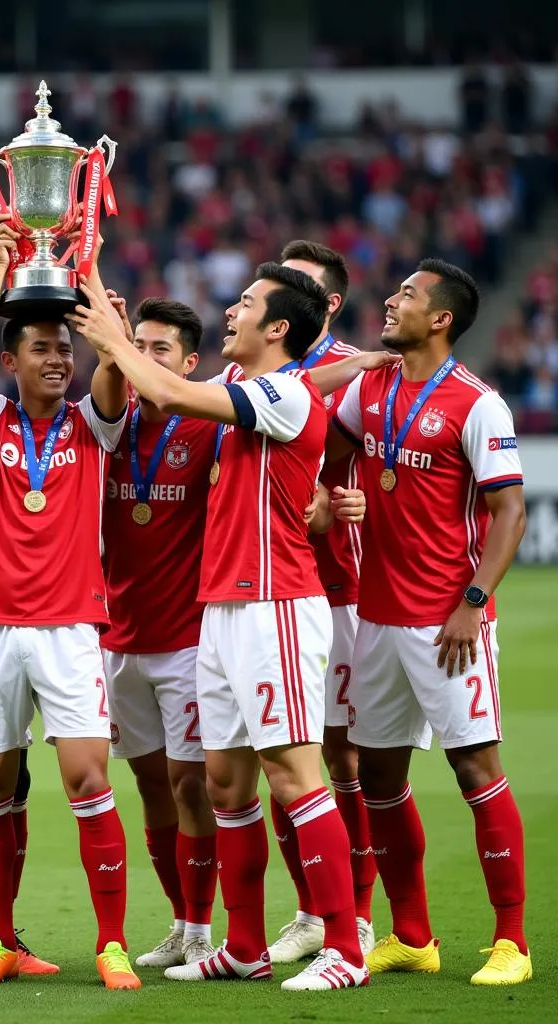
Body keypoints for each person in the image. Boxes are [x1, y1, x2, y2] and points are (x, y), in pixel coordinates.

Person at [70, 262, 395, 993]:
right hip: (221, 609)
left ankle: (344, 949)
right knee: (226, 782)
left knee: (294, 773)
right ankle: (243, 944)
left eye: (247, 303)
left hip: (273, 604)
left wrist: (114, 339)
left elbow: (167, 388)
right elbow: (160, 399)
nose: (231, 311)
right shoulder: (258, 394)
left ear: (277, 328)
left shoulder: (278, 391)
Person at [0, 213, 139, 991]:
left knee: (89, 781)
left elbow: (116, 371)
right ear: (13, 360)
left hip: (69, 627)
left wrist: (88, 274)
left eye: (65, 348)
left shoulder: (93, 427)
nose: (59, 358)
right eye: (42, 348)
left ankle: (113, 942)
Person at [331, 259, 531, 986]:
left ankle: (512, 941)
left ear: (440, 317)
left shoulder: (478, 404)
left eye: (408, 295)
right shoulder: (371, 385)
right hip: (376, 616)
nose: (390, 300)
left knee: (475, 767)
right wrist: (331, 495)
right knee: (377, 773)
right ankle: (412, 933)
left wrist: (472, 605)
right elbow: (333, 452)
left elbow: (510, 510)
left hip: (449, 621)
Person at [97, 297, 219, 974]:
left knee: (190, 785)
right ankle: (178, 921)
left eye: (160, 349)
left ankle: (202, 928)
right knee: (148, 786)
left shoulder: (208, 422)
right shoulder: (104, 426)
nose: (144, 357)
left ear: (190, 363)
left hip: (187, 640)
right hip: (117, 640)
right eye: (134, 344)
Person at [267, 240, 377, 962]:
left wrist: (362, 504)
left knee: (340, 759)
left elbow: (403, 467)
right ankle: (311, 910)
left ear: (327, 305)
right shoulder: (261, 369)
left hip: (339, 593)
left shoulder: (364, 378)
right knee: (278, 756)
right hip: (273, 587)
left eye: (296, 289)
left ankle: (357, 915)